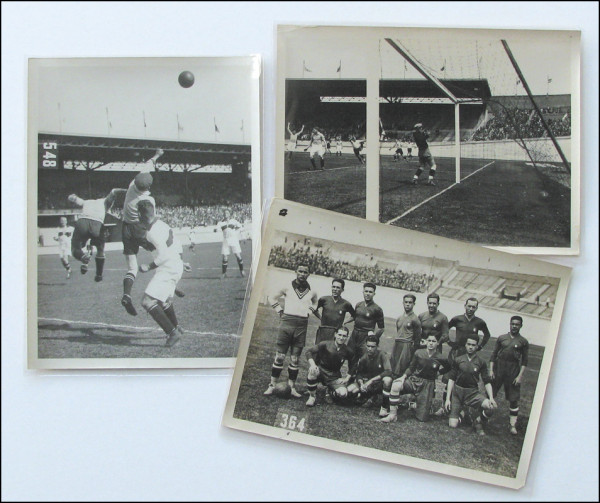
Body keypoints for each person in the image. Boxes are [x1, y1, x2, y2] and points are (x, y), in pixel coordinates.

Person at [264, 264, 319, 398]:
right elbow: (271, 297)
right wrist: (280, 311)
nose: (302, 274)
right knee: (280, 356)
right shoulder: (287, 286)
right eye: (300, 271)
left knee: (295, 359)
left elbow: (315, 302)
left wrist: (309, 312)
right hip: (287, 322)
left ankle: (292, 387)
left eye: (305, 272)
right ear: (296, 272)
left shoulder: (312, 291)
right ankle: (272, 385)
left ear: (309, 274)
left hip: (301, 325)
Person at [120, 148, 164, 316]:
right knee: (160, 255)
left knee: (132, 268)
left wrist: (156, 156)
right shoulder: (148, 200)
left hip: (125, 228)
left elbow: (148, 164)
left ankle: (126, 294)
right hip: (139, 229)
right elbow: (150, 219)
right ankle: (168, 289)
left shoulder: (132, 185)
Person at [136, 200, 184, 348]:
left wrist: (148, 266)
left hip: (167, 266)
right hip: (175, 264)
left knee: (147, 301)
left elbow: (162, 255)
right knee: (163, 301)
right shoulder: (162, 224)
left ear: (141, 214)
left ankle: (172, 333)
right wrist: (181, 262)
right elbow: (178, 245)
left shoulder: (152, 232)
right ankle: (177, 328)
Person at [435, 297, 491, 416]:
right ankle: (443, 406)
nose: (471, 309)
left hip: (469, 353)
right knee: (448, 379)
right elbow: (445, 330)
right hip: (457, 352)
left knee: (465, 380)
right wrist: (450, 342)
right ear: (464, 306)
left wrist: (480, 347)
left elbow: (487, 335)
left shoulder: (479, 322)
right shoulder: (457, 319)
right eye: (469, 306)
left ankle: (461, 409)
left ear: (476, 308)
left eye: (473, 307)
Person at [381, 334, 450, 423]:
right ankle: (392, 415)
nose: (431, 343)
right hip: (415, 380)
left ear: (437, 343)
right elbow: (411, 367)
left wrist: (439, 373)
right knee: (396, 385)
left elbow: (448, 367)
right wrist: (403, 377)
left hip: (427, 385)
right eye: (429, 340)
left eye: (433, 341)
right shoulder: (418, 352)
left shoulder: (441, 357)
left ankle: (416, 404)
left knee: (422, 418)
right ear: (426, 342)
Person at [445, 335, 497, 435]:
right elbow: (451, 379)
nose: (470, 347)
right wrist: (448, 399)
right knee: (452, 425)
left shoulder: (481, 362)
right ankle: (463, 414)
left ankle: (477, 421)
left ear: (477, 346)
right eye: (469, 344)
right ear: (465, 345)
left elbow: (486, 381)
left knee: (490, 407)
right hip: (457, 393)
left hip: (472, 393)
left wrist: (491, 397)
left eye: (473, 345)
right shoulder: (458, 359)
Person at [68, 189, 122, 282]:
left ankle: (83, 258)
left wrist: (73, 197)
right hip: (97, 224)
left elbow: (71, 197)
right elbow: (114, 191)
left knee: (75, 247)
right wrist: (129, 190)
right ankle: (99, 275)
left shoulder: (86, 202)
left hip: (83, 222)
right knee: (100, 249)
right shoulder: (105, 201)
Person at [490, 316, 529, 435]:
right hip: (499, 368)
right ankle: (481, 418)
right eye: (512, 324)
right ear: (510, 324)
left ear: (521, 326)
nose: (514, 326)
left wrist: (519, 376)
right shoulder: (502, 338)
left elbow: (524, 361)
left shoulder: (523, 341)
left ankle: (512, 424)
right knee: (491, 393)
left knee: (513, 398)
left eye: (517, 324)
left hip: (513, 370)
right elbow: (494, 355)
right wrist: (491, 370)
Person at [305, 326, 354, 407]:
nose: (341, 338)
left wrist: (347, 378)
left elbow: (353, 365)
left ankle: (330, 392)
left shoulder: (348, 350)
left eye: (344, 336)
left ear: (347, 337)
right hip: (321, 371)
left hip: (334, 376)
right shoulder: (325, 344)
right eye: (339, 335)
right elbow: (308, 352)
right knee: (312, 371)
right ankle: (312, 397)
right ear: (335, 334)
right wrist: (313, 365)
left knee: (343, 394)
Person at [347, 333, 393, 418]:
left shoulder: (382, 355)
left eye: (373, 347)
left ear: (377, 346)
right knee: (349, 392)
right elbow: (359, 374)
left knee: (387, 380)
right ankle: (367, 396)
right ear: (365, 345)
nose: (370, 349)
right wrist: (361, 384)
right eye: (368, 346)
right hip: (367, 383)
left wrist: (371, 381)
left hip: (378, 383)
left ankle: (384, 407)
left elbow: (388, 371)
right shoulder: (364, 357)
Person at [347, 282, 384, 372]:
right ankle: (350, 378)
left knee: (365, 359)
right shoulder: (358, 305)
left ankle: (361, 380)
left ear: (374, 294)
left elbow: (381, 328)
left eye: (370, 292)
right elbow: (354, 317)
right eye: (366, 291)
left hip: (366, 336)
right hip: (354, 334)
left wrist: (373, 338)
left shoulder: (377, 309)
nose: (367, 293)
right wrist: (345, 321)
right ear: (363, 292)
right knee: (350, 356)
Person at [314, 278, 355, 344]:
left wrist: (345, 321)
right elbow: (314, 309)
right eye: (333, 287)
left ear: (342, 290)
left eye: (338, 288)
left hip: (336, 333)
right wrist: (320, 317)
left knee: (333, 352)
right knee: (319, 351)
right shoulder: (324, 299)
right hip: (323, 330)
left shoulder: (346, 304)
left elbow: (354, 315)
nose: (335, 289)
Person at [391, 294, 422, 377]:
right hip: (397, 344)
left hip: (406, 344)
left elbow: (417, 338)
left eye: (410, 302)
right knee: (393, 366)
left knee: (401, 368)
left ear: (414, 304)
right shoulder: (399, 318)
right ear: (403, 303)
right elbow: (399, 331)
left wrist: (412, 350)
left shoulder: (415, 319)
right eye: (406, 302)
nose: (408, 304)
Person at [216, 209, 245, 279]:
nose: (226, 214)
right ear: (223, 214)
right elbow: (216, 229)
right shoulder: (220, 223)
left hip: (234, 240)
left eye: (227, 213)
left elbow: (241, 227)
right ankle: (224, 273)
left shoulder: (234, 221)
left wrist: (239, 234)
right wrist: (216, 230)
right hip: (226, 240)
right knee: (225, 257)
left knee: (238, 255)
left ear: (229, 214)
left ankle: (242, 271)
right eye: (225, 213)